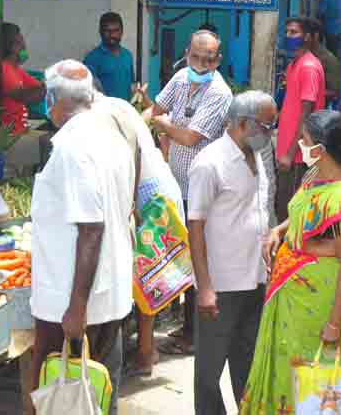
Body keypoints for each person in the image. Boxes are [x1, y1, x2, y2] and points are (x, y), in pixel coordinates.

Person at [240, 111, 341, 414]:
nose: (300, 144)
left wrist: (335, 324)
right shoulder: (314, 177)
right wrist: (280, 229)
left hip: (319, 304)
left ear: (321, 150)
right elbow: (300, 211)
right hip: (291, 298)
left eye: (305, 141)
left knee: (307, 377)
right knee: (284, 365)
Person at [30, 60, 135, 414]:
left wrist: (76, 307)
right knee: (99, 394)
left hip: (74, 301)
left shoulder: (74, 146)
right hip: (108, 295)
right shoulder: (112, 137)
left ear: (53, 98)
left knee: (65, 398)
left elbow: (91, 230)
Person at [138, 29, 233, 355]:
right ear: (187, 53)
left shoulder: (219, 93)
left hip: (202, 189)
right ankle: (184, 323)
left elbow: (191, 137)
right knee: (179, 254)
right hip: (175, 184)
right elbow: (158, 107)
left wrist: (160, 125)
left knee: (197, 259)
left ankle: (195, 334)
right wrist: (140, 114)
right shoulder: (180, 78)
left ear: (218, 60)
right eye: (196, 57)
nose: (202, 64)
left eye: (209, 59)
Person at [188, 91, 276, 415]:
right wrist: (205, 286)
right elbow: (195, 226)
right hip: (222, 284)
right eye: (267, 126)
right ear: (242, 123)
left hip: (255, 278)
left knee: (247, 365)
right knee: (210, 373)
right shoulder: (210, 163)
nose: (271, 133)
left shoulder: (256, 156)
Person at [91, 91, 184, 377]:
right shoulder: (118, 106)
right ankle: (146, 349)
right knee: (149, 275)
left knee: (145, 275)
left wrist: (130, 205)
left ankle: (145, 352)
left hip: (149, 194)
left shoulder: (102, 114)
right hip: (160, 186)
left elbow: (134, 154)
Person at [275, 17, 326, 223]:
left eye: (294, 32)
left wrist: (290, 153)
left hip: (298, 155)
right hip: (289, 148)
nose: (289, 36)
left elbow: (307, 113)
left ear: (306, 37)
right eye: (287, 32)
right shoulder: (294, 65)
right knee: (283, 207)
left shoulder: (308, 67)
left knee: (291, 212)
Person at [0, 22, 46, 135]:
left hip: (22, 130)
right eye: (21, 43)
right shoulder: (4, 69)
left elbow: (38, 88)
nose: (24, 47)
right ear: (12, 47)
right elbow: (24, 96)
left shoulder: (16, 69)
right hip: (11, 136)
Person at [84, 12, 135, 102]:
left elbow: (131, 86)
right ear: (100, 32)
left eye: (116, 30)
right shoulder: (92, 59)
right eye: (107, 31)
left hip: (125, 111)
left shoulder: (127, 55)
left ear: (122, 31)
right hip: (102, 112)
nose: (112, 35)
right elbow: (88, 91)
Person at [308, 17, 341, 104]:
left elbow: (334, 92)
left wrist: (308, 94)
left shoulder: (328, 60)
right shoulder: (300, 56)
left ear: (315, 35)